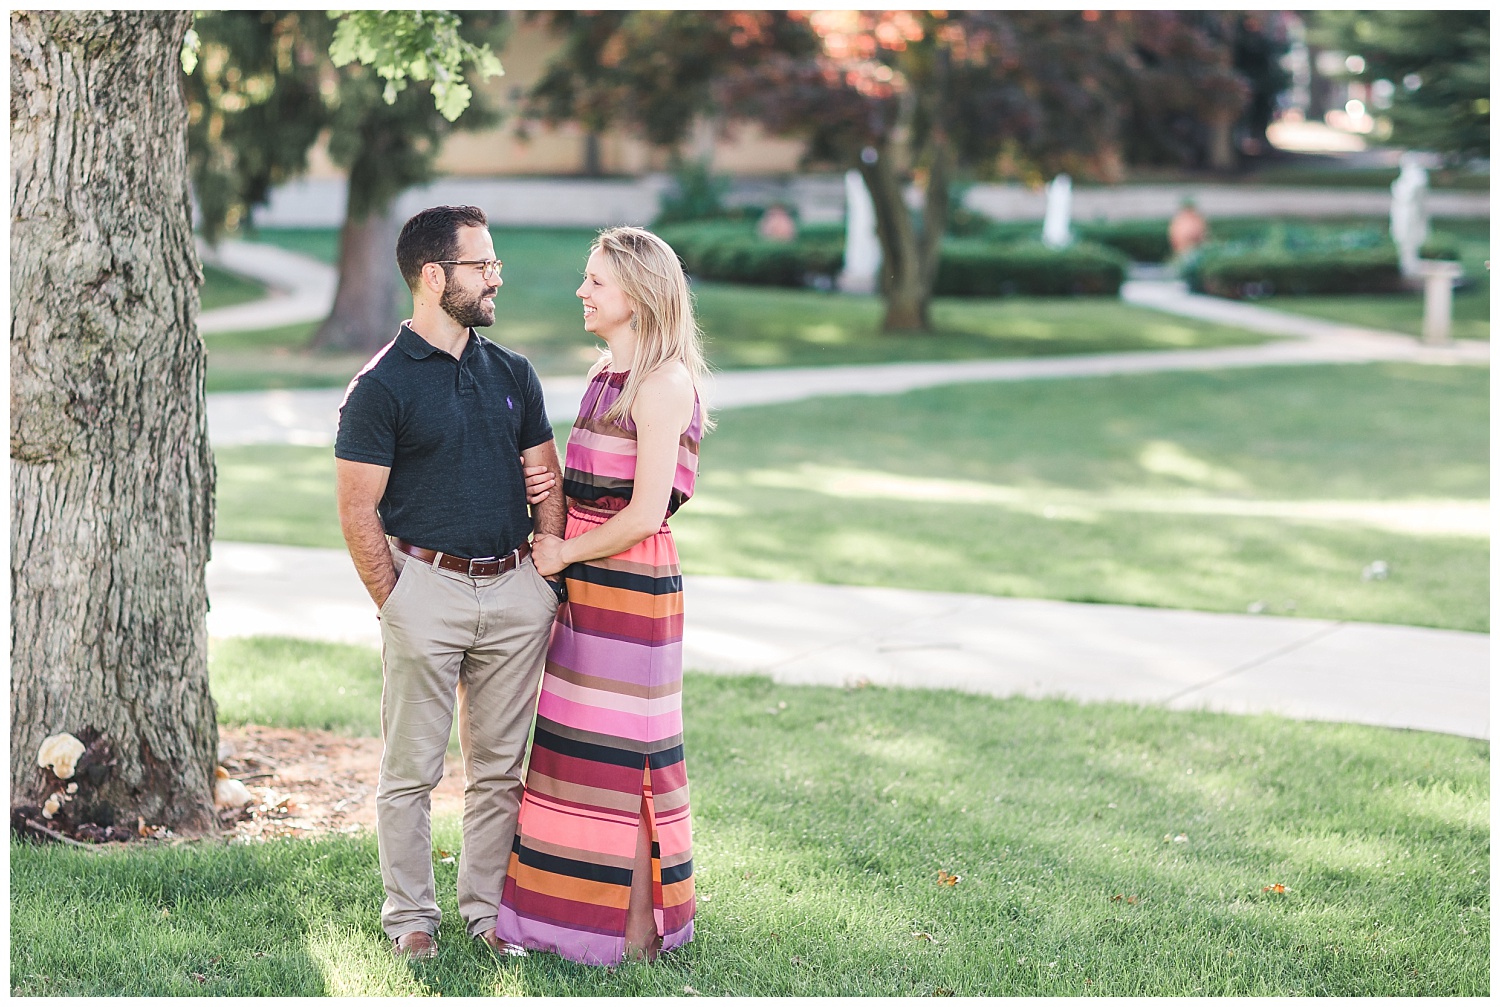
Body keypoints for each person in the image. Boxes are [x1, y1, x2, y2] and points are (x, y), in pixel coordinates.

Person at [334, 204, 567, 960]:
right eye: (481, 265)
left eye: (494, 263)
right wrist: (396, 601)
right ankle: (410, 919)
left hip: (514, 591)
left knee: (499, 770)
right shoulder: (380, 386)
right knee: (412, 770)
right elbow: (356, 509)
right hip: (423, 589)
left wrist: (545, 564)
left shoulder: (513, 372)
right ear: (434, 277)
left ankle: (486, 914)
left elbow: (546, 478)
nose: (496, 276)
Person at [494, 226, 710, 966]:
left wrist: (563, 551)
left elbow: (645, 513)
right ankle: (569, 925)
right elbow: (580, 488)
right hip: (586, 584)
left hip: (632, 592)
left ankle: (638, 935)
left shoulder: (664, 383)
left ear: (640, 295)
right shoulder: (603, 375)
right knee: (576, 756)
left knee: (629, 759)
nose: (581, 291)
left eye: (596, 281)